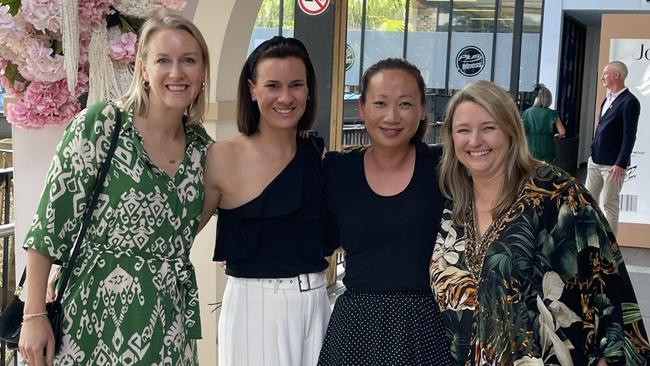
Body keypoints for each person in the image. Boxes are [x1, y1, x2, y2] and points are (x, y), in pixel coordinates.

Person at [19, 13, 212, 365]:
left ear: (202, 70)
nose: (176, 72)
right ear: (142, 67)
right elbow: (49, 225)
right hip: (92, 317)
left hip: (168, 324)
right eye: (163, 60)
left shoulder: (204, 150)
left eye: (188, 60)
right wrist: (34, 315)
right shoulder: (103, 124)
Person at [430, 79, 650, 365]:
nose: (475, 141)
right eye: (463, 130)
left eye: (488, 127)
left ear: (511, 131)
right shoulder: (452, 205)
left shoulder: (558, 195)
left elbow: (606, 292)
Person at [200, 36, 330, 366]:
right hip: (256, 304)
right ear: (252, 90)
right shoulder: (223, 155)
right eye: (272, 85)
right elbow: (177, 231)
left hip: (317, 303)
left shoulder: (315, 154)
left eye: (296, 85)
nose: (285, 97)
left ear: (309, 90)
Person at [317, 58, 452, 366]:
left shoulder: (445, 169)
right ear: (362, 108)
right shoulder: (336, 170)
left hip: (425, 326)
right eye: (380, 103)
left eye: (405, 104)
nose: (392, 116)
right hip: (354, 326)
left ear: (421, 111)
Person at [586, 60, 640, 236]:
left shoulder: (630, 102)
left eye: (606, 73)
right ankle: (590, 241)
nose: (602, 77)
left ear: (617, 76)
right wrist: (591, 153)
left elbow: (629, 135)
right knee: (588, 202)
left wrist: (621, 163)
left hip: (613, 166)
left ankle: (610, 249)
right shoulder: (607, 99)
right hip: (595, 161)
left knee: (610, 204)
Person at [522, 84, 566, 163]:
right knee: (546, 173)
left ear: (536, 98)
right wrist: (557, 136)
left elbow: (520, 130)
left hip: (530, 148)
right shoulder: (552, 113)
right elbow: (562, 132)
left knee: (529, 172)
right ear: (549, 99)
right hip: (547, 148)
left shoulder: (527, 112)